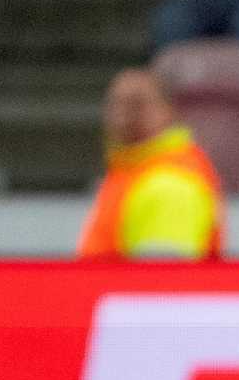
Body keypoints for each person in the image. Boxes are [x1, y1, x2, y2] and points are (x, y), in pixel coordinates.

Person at [78, 69, 225, 260]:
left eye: (137, 104)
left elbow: (159, 283)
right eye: (116, 104)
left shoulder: (171, 184)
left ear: (169, 110)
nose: (123, 115)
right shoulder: (130, 171)